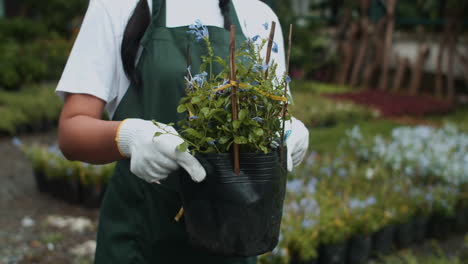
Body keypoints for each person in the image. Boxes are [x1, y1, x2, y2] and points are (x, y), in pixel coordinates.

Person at [56, 0, 309, 263]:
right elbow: (72, 130)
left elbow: (274, 114)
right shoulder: (119, 7)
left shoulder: (256, 14)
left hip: (235, 239)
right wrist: (130, 136)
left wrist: (287, 131)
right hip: (143, 241)